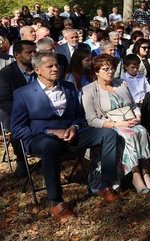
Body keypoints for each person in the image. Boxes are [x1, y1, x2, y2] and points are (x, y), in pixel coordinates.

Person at [12, 52, 121, 222]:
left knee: (109, 134)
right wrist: (50, 131)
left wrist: (74, 127)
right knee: (50, 146)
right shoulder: (23, 93)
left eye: (57, 65)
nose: (55, 68)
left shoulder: (67, 87)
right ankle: (56, 202)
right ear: (37, 70)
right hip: (41, 138)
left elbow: (78, 115)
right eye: (50, 66)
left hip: (71, 134)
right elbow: (18, 129)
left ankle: (105, 185)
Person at [82, 54, 150, 194]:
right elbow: (92, 120)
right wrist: (118, 124)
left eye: (112, 68)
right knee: (129, 135)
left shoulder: (121, 83)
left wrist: (138, 116)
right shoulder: (89, 90)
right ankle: (136, 176)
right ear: (96, 71)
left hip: (130, 121)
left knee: (142, 131)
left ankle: (146, 173)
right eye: (105, 69)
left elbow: (133, 105)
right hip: (110, 126)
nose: (110, 72)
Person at [0, 40, 37, 175]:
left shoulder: (40, 70)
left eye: (34, 51)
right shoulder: (6, 73)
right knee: (18, 130)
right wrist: (28, 112)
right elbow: (4, 101)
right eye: (29, 52)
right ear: (17, 55)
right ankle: (21, 160)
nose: (33, 55)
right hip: (12, 111)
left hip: (40, 109)